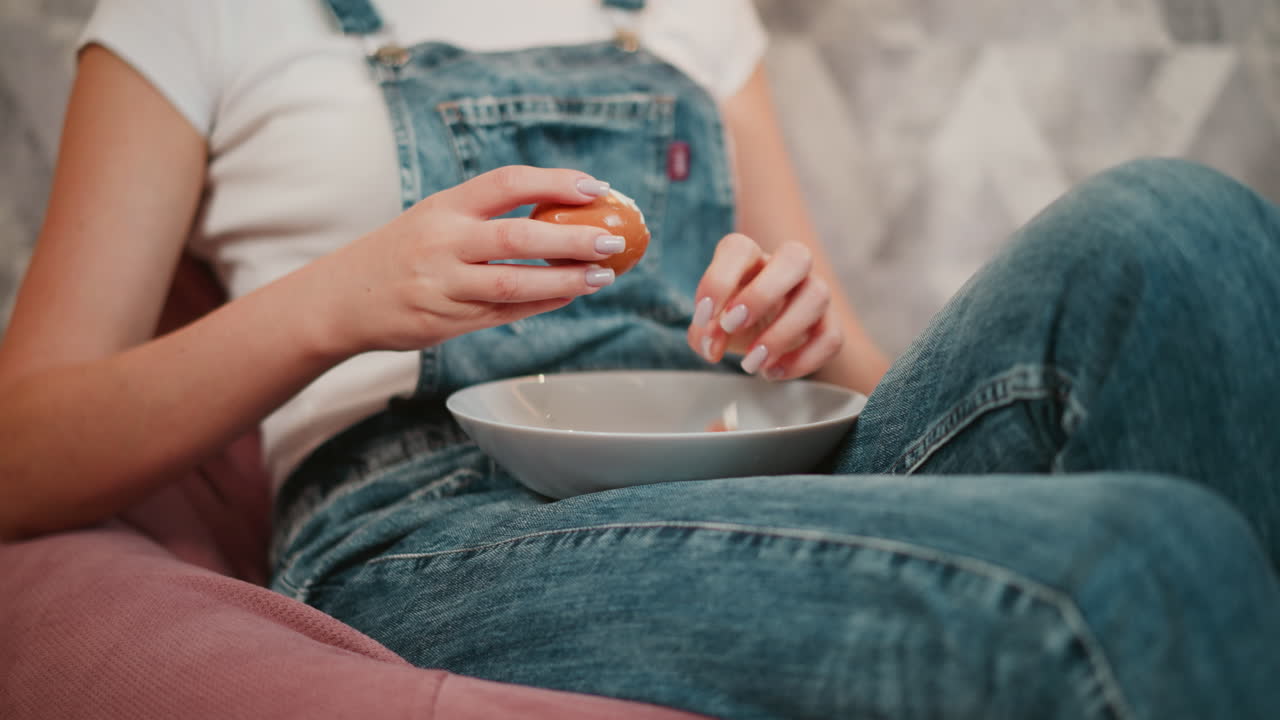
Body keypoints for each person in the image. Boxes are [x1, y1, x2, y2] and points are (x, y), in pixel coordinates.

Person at [1, 0, 1277, 717]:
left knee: (1177, 220)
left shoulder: (688, 17)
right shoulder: (192, 17)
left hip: (751, 461)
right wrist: (340, 300)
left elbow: (859, 371)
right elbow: (21, 452)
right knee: (1145, 563)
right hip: (438, 516)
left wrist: (801, 330)